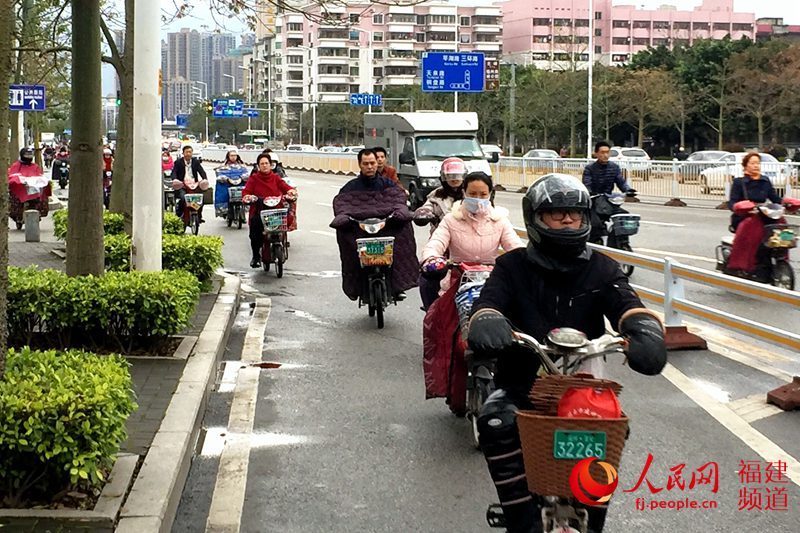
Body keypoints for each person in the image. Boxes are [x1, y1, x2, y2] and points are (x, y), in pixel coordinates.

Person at [466, 174, 667, 533]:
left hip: (586, 390)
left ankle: (593, 522)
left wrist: (645, 331)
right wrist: (487, 320)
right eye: (556, 213)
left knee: (613, 433)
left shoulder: (602, 267)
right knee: (496, 422)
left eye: (574, 213)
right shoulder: (512, 266)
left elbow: (626, 303)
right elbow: (489, 302)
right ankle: (519, 517)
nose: (568, 220)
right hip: (521, 385)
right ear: (536, 219)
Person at [419, 171, 523, 307]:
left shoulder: (500, 220)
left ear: (490, 194)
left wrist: (526, 260)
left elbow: (514, 246)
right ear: (464, 193)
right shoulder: (451, 219)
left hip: (492, 283)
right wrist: (431, 258)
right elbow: (436, 242)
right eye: (473, 194)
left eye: (483, 194)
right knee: (438, 319)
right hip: (455, 283)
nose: (478, 198)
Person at [330, 148, 417, 302]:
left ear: (377, 164)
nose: (369, 166)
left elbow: (398, 201)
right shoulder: (350, 188)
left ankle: (398, 285)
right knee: (344, 236)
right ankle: (355, 286)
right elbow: (342, 206)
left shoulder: (389, 184)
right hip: (360, 229)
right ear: (359, 165)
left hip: (386, 227)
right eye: (366, 163)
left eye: (372, 163)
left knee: (405, 229)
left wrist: (396, 216)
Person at [726, 152, 784, 281]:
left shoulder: (765, 181)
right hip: (744, 215)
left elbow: (775, 198)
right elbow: (732, 202)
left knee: (781, 224)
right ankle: (744, 265)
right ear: (745, 166)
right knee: (753, 228)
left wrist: (787, 204)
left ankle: (779, 257)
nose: (755, 166)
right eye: (752, 163)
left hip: (764, 214)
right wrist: (741, 207)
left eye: (757, 163)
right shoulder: (739, 182)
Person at [243, 153, 297, 268]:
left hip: (276, 210)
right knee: (255, 232)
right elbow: (246, 192)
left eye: (266, 163)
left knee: (286, 218)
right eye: (262, 164)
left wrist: (291, 192)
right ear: (258, 166)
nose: (264, 166)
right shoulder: (254, 179)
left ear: (270, 165)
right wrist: (248, 197)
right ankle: (256, 256)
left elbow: (285, 187)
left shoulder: (276, 177)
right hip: (259, 211)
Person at [583, 141, 636, 243]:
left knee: (625, 218)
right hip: (593, 202)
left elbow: (621, 182)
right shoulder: (589, 168)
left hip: (608, 201)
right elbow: (587, 184)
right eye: (602, 152)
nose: (605, 155)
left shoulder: (614, 167)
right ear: (596, 154)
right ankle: (595, 244)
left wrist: (628, 190)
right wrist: (590, 192)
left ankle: (621, 241)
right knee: (595, 224)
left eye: (607, 152)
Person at [8, 147, 51, 223]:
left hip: (33, 190)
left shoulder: (35, 166)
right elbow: (12, 175)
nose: (28, 156)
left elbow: (39, 175)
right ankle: (17, 215)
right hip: (21, 189)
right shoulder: (16, 165)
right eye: (26, 154)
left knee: (43, 193)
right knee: (14, 198)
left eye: (30, 154)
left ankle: (39, 212)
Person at [172, 145, 209, 220]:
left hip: (194, 185)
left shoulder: (195, 162)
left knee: (201, 199)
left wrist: (205, 179)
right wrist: (175, 180)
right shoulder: (178, 162)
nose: (188, 154)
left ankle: (199, 215)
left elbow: (201, 171)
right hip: (182, 185)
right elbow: (174, 172)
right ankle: (180, 213)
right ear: (183, 153)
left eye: (190, 152)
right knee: (183, 198)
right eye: (187, 152)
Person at [214, 149, 250, 218]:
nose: (233, 157)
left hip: (239, 184)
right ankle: (224, 209)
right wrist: (225, 179)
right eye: (231, 155)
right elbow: (219, 174)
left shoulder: (242, 166)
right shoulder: (223, 166)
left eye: (235, 155)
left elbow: (247, 174)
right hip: (227, 184)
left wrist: (242, 178)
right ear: (228, 156)